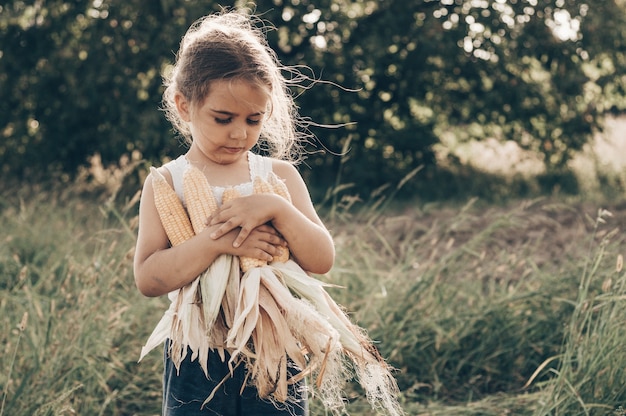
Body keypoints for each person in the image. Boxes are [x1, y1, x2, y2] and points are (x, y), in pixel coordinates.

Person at [133, 9, 335, 416]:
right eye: (223, 119)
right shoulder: (167, 183)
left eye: (253, 119)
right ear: (184, 105)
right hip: (197, 351)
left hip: (275, 347)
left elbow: (322, 259)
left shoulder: (278, 176)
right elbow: (148, 278)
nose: (240, 133)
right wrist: (218, 240)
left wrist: (277, 208)